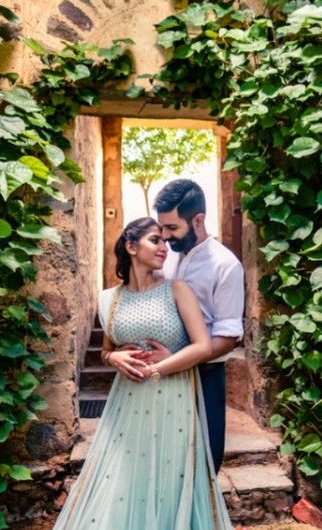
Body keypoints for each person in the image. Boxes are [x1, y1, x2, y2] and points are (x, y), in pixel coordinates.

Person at [53, 217, 233, 530]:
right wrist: (114, 359)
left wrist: (156, 368)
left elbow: (203, 346)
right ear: (131, 246)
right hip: (128, 403)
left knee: (168, 479)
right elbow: (107, 350)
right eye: (155, 240)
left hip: (174, 396)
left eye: (165, 240)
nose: (164, 247)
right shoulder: (109, 298)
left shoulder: (177, 289)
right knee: (125, 480)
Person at [153, 179, 245, 473]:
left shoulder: (225, 265)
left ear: (198, 219)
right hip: (161, 378)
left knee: (205, 460)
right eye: (162, 228)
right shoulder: (164, 259)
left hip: (205, 376)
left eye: (172, 228)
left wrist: (180, 360)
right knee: (164, 461)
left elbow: (228, 337)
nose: (165, 237)